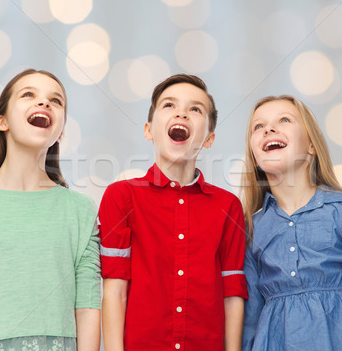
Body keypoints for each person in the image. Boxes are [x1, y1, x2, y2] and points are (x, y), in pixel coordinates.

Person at [0, 69, 101, 351]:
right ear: (2, 121)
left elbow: (87, 311)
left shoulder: (80, 211)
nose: (44, 103)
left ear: (60, 132)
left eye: (56, 100)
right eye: (29, 95)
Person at [99, 74, 248, 351]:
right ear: (148, 129)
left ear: (209, 138)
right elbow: (114, 290)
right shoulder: (121, 197)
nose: (182, 112)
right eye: (169, 105)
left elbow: (232, 293)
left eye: (195, 109)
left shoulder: (228, 206)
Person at [240, 95, 342, 351]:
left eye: (284, 120)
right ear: (254, 156)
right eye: (258, 126)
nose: (268, 128)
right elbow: (250, 323)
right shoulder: (250, 229)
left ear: (311, 145)